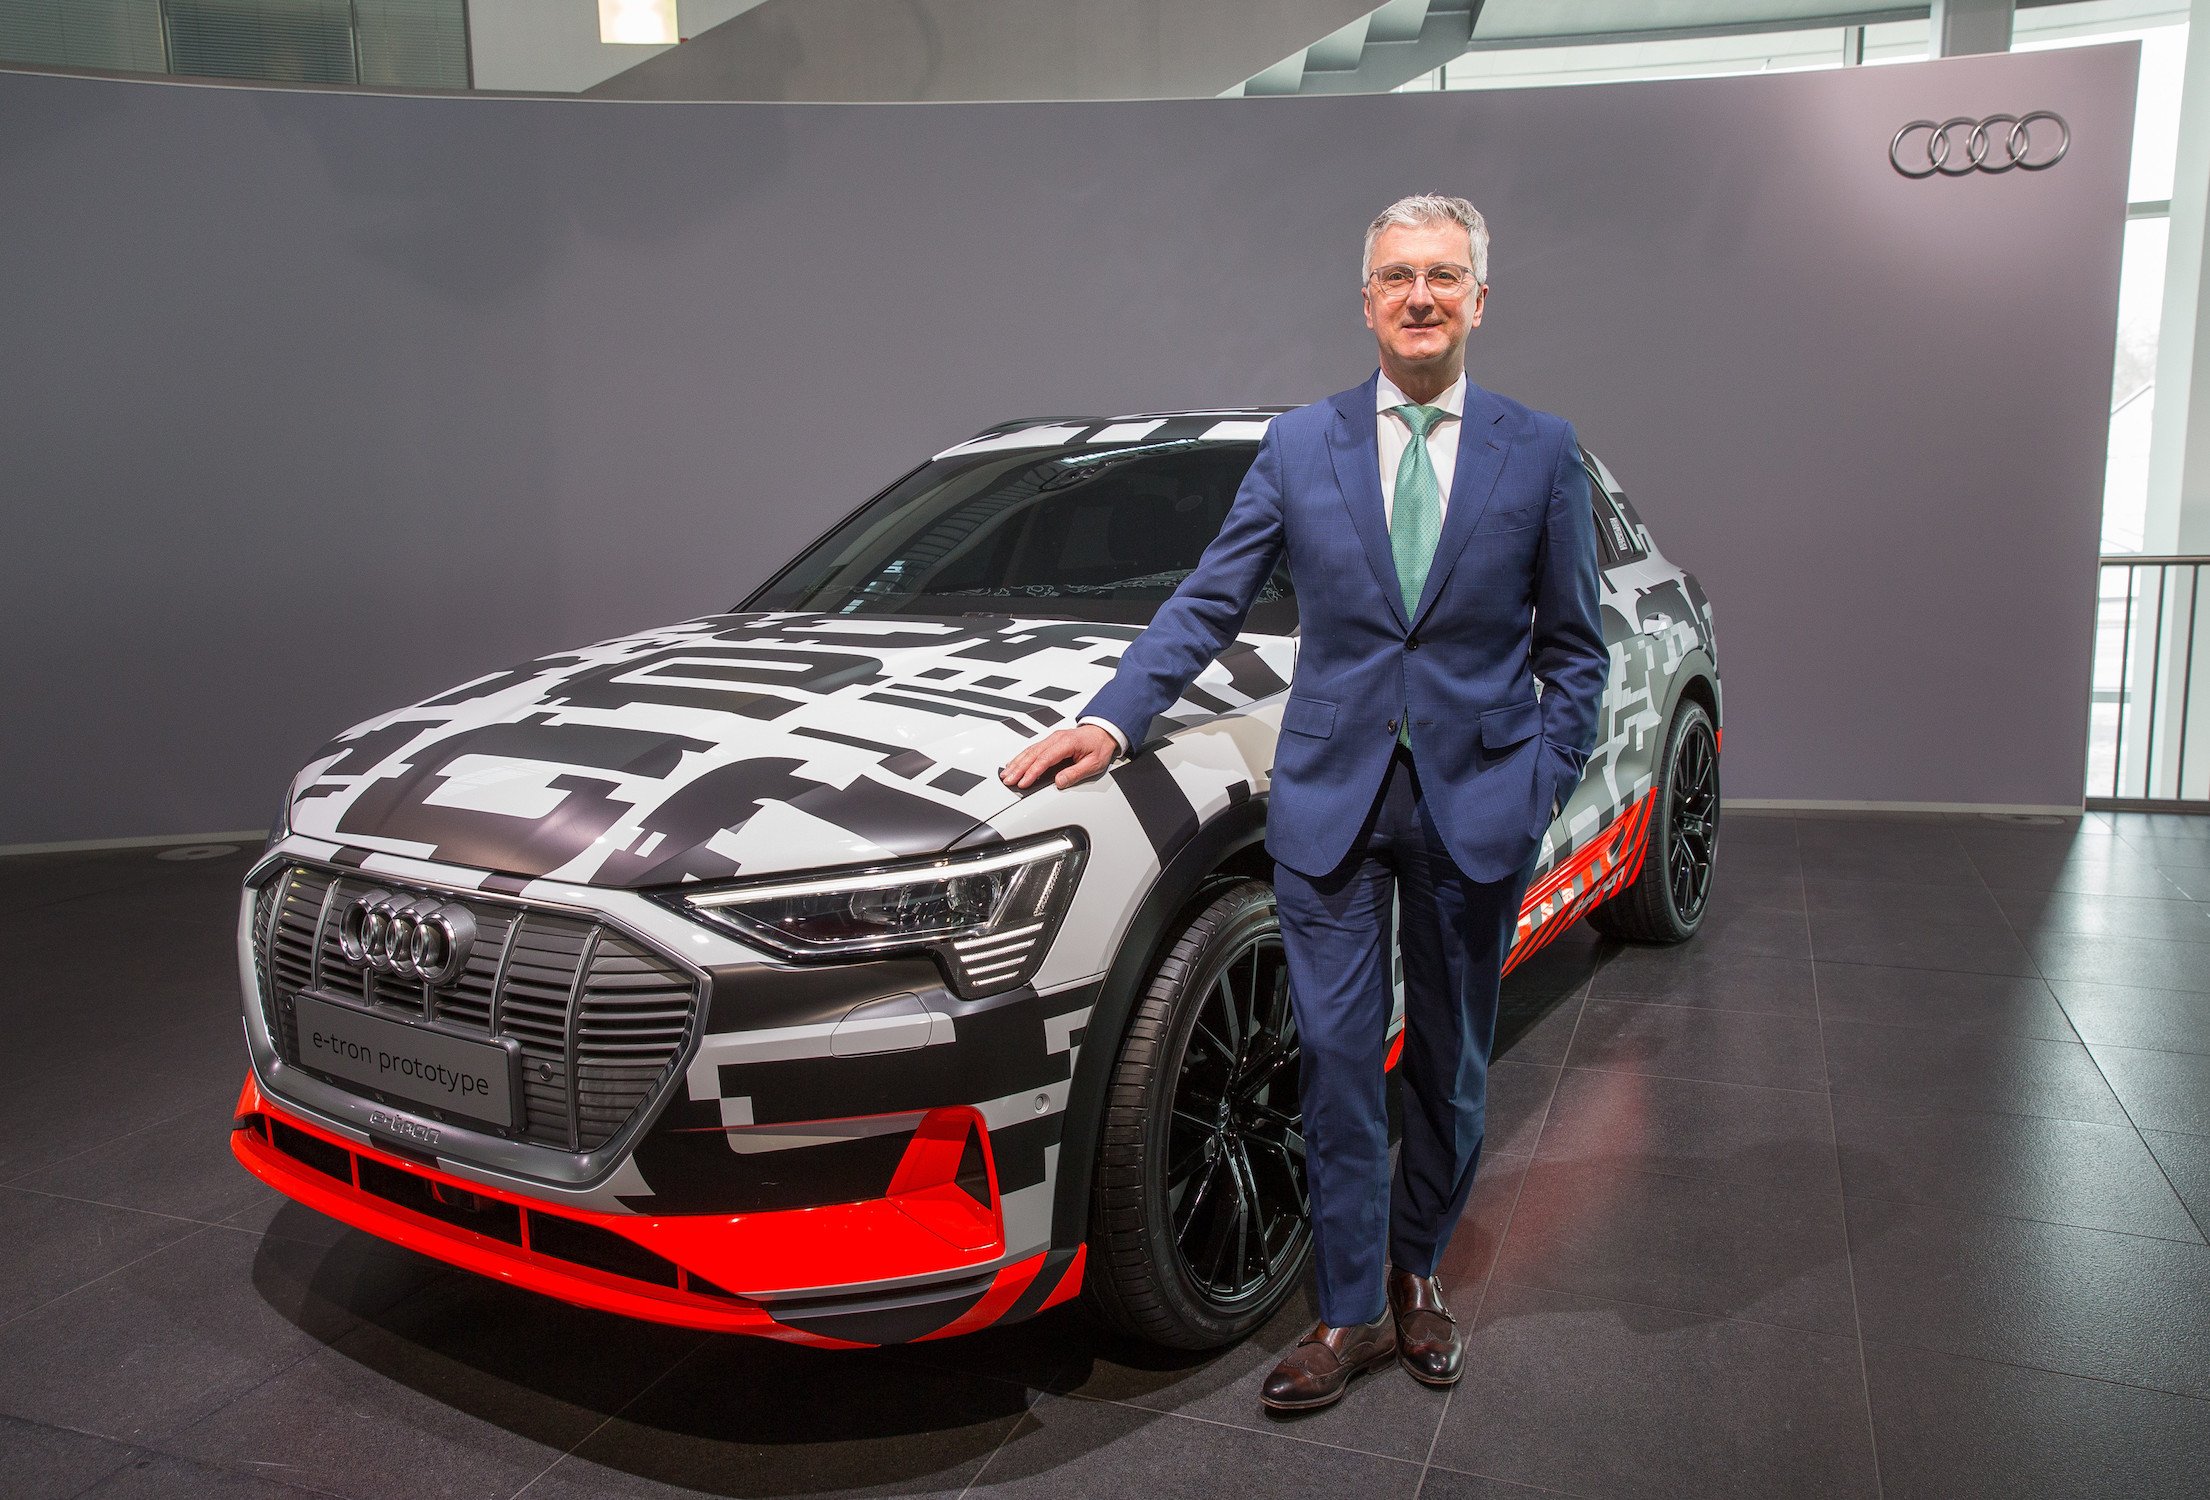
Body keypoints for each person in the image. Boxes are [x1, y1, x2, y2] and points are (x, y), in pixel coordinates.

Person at [1000, 193, 1605, 1411]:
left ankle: (1416, 1277)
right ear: (1366, 299)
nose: (1418, 296)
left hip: (1474, 803)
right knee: (1334, 1060)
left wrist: (1536, 784)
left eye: (1441, 276)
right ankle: (1342, 1313)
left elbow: (1575, 651)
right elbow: (1206, 599)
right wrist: (1112, 716)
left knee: (1446, 1066)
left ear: (1478, 299)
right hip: (1331, 800)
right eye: (1395, 276)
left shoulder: (1539, 452)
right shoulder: (1299, 445)